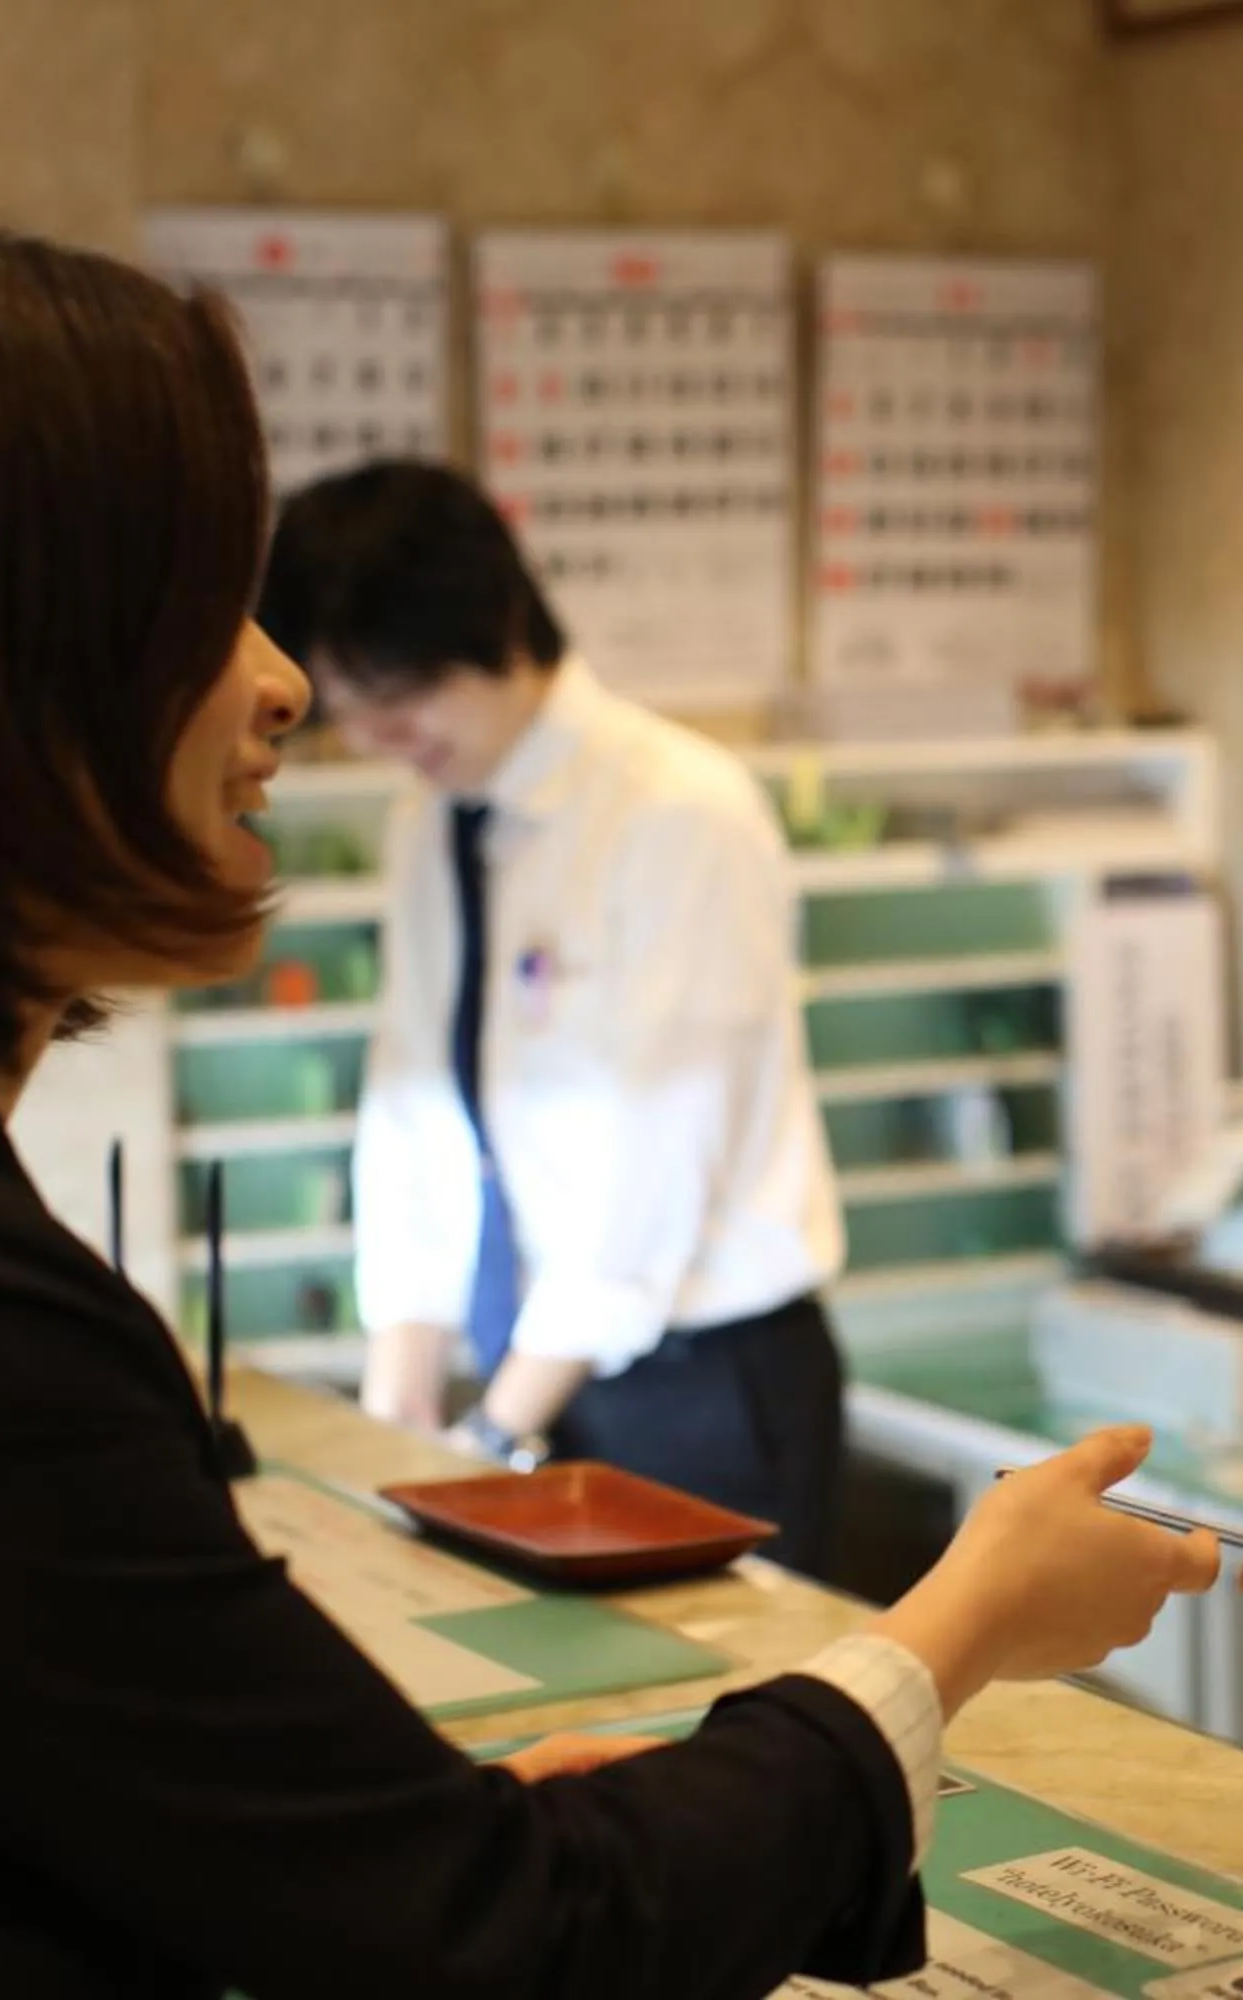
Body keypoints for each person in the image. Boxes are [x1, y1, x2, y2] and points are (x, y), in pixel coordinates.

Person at [0, 227, 1217, 1998]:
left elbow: (657, 1159)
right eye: (203, 599)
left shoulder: (676, 805)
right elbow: (498, 1948)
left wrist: (423, 1811)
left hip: (689, 1359)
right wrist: (959, 1626)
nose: (285, 688)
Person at [258, 462, 850, 1572]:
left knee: (731, 1729)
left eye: (399, 690)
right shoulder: (432, 821)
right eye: (348, 706)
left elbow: (652, 1166)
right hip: (536, 1368)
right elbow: (413, 1103)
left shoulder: (677, 811)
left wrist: (494, 1427)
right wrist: (400, 1391)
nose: (379, 731)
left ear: (493, 625)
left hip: (701, 1380)